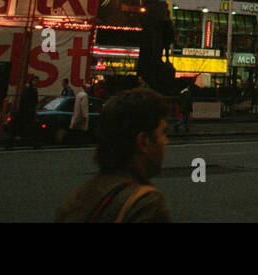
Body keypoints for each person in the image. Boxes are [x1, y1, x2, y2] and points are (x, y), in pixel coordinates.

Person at [56, 89, 172, 222]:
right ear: (144, 141)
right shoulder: (145, 204)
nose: (166, 142)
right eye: (163, 133)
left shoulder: (74, 200)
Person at [6, 76, 40, 149]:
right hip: (25, 112)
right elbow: (26, 101)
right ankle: (34, 144)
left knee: (28, 128)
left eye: (37, 81)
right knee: (29, 128)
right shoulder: (29, 89)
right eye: (34, 80)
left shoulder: (31, 89)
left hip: (26, 112)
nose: (35, 82)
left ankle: (35, 144)